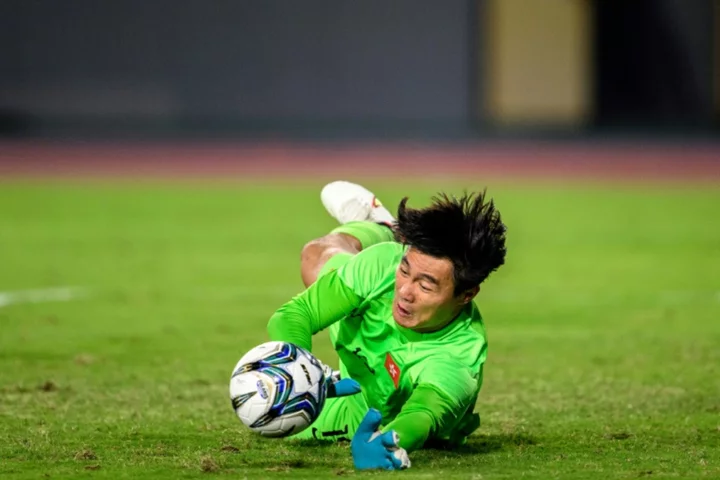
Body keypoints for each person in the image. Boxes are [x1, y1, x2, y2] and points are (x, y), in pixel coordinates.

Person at [266, 180, 507, 470]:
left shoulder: (457, 358)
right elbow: (293, 315)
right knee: (314, 256)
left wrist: (392, 440)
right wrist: (298, 371)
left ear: (466, 295)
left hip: (369, 413)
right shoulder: (382, 268)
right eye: (405, 271)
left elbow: (422, 414)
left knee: (279, 428)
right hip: (363, 327)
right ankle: (377, 226)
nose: (405, 291)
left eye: (426, 286)